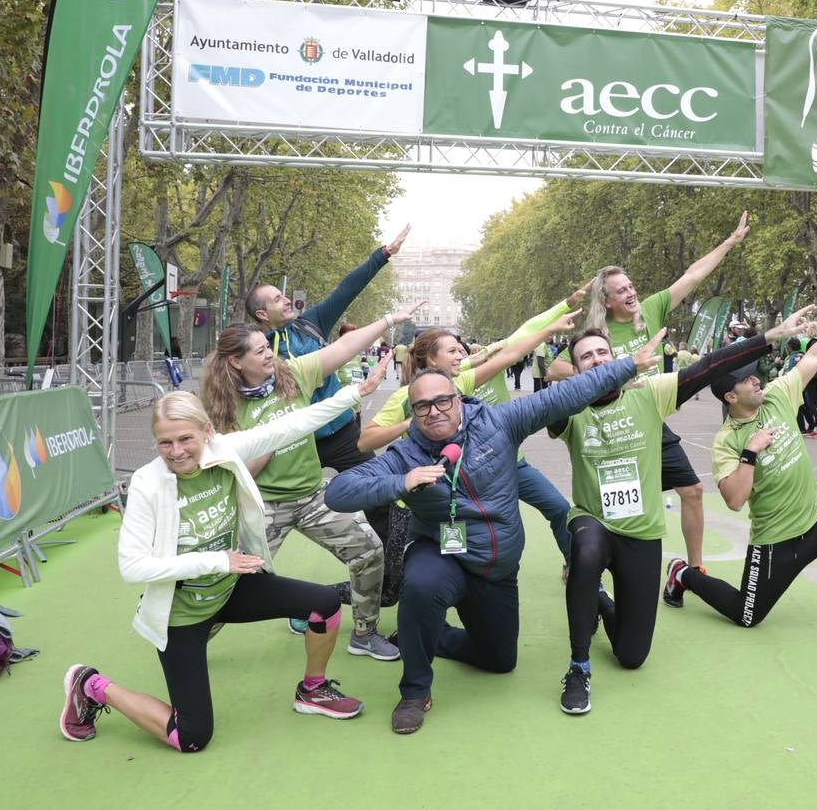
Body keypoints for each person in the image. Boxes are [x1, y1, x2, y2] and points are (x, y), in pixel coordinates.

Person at [325, 338, 661, 734]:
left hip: (496, 570)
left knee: (500, 660)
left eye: (442, 402)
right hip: (443, 555)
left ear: (459, 399)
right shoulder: (406, 454)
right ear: (412, 413)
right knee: (420, 584)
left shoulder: (500, 423)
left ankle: (434, 637)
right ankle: (415, 691)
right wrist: (402, 481)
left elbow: (567, 394)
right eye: (422, 407)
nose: (434, 413)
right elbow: (339, 491)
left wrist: (626, 366)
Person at [59, 370, 387, 752]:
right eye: (165, 443)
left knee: (325, 606)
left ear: (207, 432)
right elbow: (133, 566)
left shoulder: (225, 451)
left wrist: (353, 393)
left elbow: (292, 425)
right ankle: (92, 685)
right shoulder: (148, 484)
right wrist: (216, 561)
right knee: (192, 737)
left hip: (231, 588)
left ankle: (312, 690)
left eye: (186, 439)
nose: (177, 451)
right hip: (182, 612)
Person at [552, 309, 813, 715]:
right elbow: (532, 405)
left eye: (604, 352)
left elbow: (709, 368)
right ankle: (578, 666)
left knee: (632, 656)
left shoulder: (650, 393)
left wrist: (768, 337)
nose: (598, 360)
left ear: (617, 357)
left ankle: (599, 601)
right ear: (576, 367)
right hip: (593, 519)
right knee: (585, 552)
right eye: (587, 356)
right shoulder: (568, 406)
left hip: (641, 532)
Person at [661, 297, 817, 639]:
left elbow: (816, 356)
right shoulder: (727, 441)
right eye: (747, 380)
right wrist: (751, 452)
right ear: (730, 397)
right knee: (746, 616)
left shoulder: (778, 395)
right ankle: (685, 575)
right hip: (776, 541)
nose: (756, 381)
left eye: (755, 376)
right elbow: (734, 500)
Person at [201, 306, 417, 658]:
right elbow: (234, 473)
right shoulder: (220, 408)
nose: (270, 355)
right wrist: (270, 445)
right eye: (259, 351)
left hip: (315, 496)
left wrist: (390, 320)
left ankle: (364, 633)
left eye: (267, 347)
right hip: (265, 504)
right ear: (237, 362)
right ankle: (191, 636)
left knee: (369, 550)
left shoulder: (292, 374)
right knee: (230, 578)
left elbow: (344, 349)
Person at [547, 211, 751, 570]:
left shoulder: (651, 310)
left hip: (651, 423)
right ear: (606, 300)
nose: (631, 292)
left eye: (631, 286)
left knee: (693, 491)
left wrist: (729, 244)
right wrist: (615, 374)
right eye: (622, 290)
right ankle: (582, 556)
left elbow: (692, 275)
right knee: (609, 507)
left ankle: (692, 569)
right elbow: (554, 369)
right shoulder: (598, 334)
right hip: (612, 431)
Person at [361, 290, 590, 566]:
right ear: (433, 359)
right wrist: (414, 420)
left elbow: (514, 350)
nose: (462, 354)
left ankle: (579, 573)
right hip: (457, 483)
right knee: (403, 580)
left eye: (461, 350)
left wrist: (551, 327)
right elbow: (365, 442)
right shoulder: (406, 396)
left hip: (508, 464)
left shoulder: (463, 380)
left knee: (558, 509)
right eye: (453, 351)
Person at [246, 225, 411, 473]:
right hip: (297, 441)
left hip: (343, 432)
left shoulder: (310, 324)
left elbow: (346, 290)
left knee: (376, 491)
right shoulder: (255, 349)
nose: (287, 299)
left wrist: (384, 253)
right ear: (262, 313)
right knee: (288, 506)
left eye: (284, 295)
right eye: (277, 299)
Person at [795, 322, 817, 438]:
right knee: (815, 401)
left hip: (813, 374)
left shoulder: (812, 343)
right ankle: (816, 427)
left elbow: (810, 358)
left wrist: (800, 359)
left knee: (810, 401)